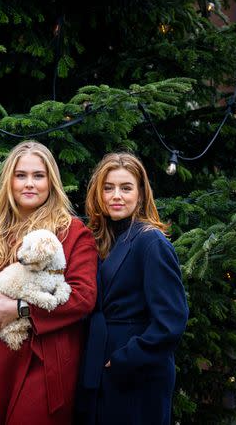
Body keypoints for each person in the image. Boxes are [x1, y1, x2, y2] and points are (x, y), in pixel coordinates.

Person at [0, 141, 98, 425]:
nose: (29, 184)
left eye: (38, 176)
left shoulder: (71, 232)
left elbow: (83, 297)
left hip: (43, 356)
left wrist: (22, 308)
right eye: (20, 175)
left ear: (51, 181)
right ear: (9, 180)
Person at [75, 152, 189, 425]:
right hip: (98, 365)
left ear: (140, 194)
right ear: (98, 193)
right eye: (108, 187)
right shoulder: (98, 240)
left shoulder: (151, 243)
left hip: (136, 371)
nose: (117, 195)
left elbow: (171, 320)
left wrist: (125, 359)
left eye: (126, 188)